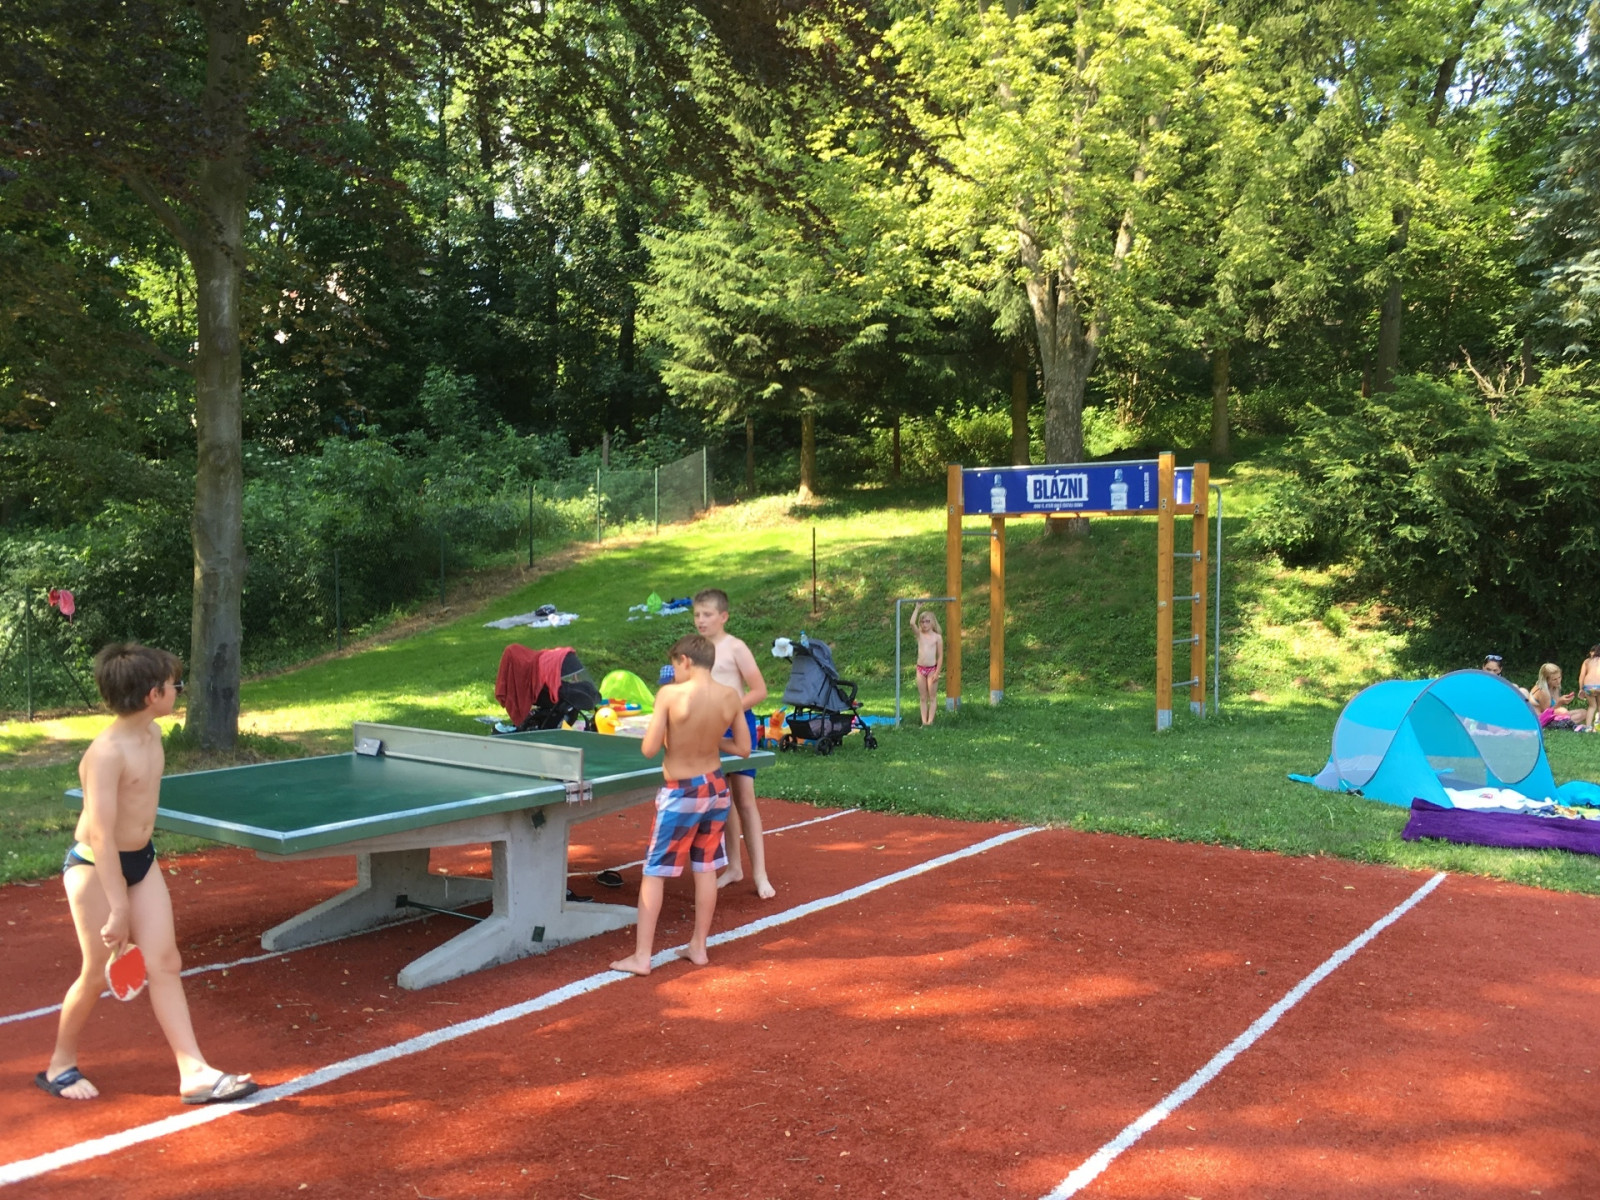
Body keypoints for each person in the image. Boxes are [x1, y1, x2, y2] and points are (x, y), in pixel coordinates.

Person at [37, 643, 258, 1104]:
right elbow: (102, 837)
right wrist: (119, 909)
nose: (179, 690)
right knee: (96, 974)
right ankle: (60, 1063)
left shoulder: (153, 734)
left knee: (165, 962)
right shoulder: (106, 754)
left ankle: (194, 1072)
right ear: (151, 695)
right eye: (174, 685)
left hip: (141, 859)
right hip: (95, 868)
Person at [610, 634, 750, 977]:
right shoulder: (730, 696)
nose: (674, 673)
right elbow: (743, 749)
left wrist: (666, 732)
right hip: (716, 787)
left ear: (685, 661)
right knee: (705, 867)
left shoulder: (670, 695)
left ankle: (642, 957)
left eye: (674, 665)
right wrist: (712, 738)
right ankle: (698, 947)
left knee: (655, 871)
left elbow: (648, 749)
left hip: (682, 791)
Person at [692, 587, 775, 899]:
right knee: (722, 799)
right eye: (697, 615)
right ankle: (734, 867)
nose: (701, 620)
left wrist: (729, 709)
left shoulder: (735, 647)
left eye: (707, 614)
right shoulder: (696, 650)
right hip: (708, 728)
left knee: (745, 799)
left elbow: (759, 690)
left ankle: (760, 875)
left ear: (723, 616)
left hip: (737, 725)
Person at [909, 603, 944, 727]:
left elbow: (940, 656)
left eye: (927, 621)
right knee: (923, 697)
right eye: (922, 622)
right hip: (920, 669)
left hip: (932, 669)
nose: (924, 624)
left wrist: (937, 672)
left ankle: (930, 721)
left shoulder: (937, 637)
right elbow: (912, 623)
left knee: (932, 696)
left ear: (933, 622)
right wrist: (917, 608)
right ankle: (924, 722)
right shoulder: (920, 635)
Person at [1578, 645, 1600, 730]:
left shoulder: (1587, 661)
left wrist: (1581, 689)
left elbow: (1582, 676)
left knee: (1592, 706)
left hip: (1588, 687)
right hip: (1599, 686)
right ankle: (1598, 725)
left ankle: (1588, 727)